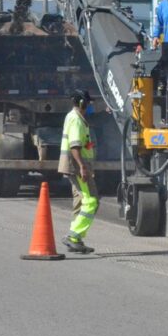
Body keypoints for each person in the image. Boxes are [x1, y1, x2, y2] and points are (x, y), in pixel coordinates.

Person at [58, 89, 99, 254]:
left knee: (81, 201)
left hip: (75, 166)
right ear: (82, 103)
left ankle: (76, 240)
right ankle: (73, 236)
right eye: (88, 103)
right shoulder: (76, 120)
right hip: (77, 167)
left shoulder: (74, 117)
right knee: (91, 201)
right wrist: (82, 166)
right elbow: (75, 146)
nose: (89, 106)